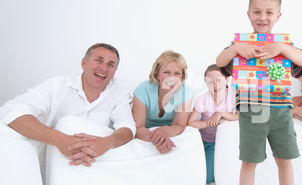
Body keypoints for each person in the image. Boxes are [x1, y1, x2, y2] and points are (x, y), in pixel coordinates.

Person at [216, 0, 302, 185]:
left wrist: (282, 49)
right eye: (257, 12)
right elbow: (220, 62)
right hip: (251, 110)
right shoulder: (240, 44)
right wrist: (236, 48)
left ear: (278, 16)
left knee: (284, 160)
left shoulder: (285, 45)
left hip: (280, 112)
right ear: (248, 15)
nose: (262, 17)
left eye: (269, 12)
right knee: (249, 161)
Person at [0, 43, 136, 168]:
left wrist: (107, 143)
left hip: (93, 170)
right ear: (84, 63)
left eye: (111, 65)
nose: (104, 68)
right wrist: (61, 140)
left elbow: (127, 127)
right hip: (46, 169)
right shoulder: (55, 86)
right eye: (98, 60)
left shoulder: (120, 91)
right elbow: (10, 110)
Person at [133, 50, 192, 154]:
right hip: (146, 131)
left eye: (177, 73)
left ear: (182, 77)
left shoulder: (186, 91)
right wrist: (157, 139)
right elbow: (138, 127)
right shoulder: (142, 89)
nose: (172, 78)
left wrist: (163, 132)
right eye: (166, 72)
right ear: (157, 74)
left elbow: (179, 125)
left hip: (171, 131)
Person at [187, 64, 239, 184]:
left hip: (226, 142)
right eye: (210, 82)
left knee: (230, 173)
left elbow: (243, 117)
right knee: (208, 177)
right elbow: (190, 123)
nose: (215, 85)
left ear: (227, 80)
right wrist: (210, 123)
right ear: (206, 84)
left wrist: (221, 114)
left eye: (219, 80)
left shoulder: (234, 95)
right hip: (206, 142)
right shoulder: (202, 99)